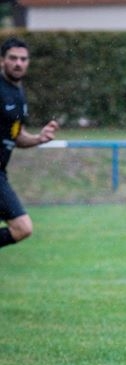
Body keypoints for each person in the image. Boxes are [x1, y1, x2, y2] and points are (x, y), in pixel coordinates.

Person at [0, 37, 59, 250]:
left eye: (23, 59)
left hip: (1, 172)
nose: (18, 63)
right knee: (22, 227)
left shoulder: (18, 92)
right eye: (13, 58)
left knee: (22, 229)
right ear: (2, 60)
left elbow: (15, 135)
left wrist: (38, 139)